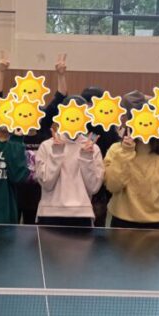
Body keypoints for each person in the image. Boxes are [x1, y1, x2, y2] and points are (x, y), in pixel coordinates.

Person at [0, 53, 68, 224]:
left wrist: (61, 75)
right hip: (12, 190)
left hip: (38, 193)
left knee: (33, 235)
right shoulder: (11, 120)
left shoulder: (43, 119)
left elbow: (60, 99)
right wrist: (1, 72)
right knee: (9, 234)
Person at [104, 91, 159, 235]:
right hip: (120, 224)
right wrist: (126, 152)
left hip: (155, 227)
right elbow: (112, 185)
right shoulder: (116, 150)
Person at [35, 96, 104, 227]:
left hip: (82, 214)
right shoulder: (47, 146)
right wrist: (57, 153)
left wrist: (86, 157)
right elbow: (46, 183)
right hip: (50, 213)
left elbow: (94, 187)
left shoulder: (92, 148)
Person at [80, 86, 120, 227]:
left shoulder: (108, 127)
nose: (90, 108)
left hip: (99, 182)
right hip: (78, 182)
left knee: (97, 225)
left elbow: (114, 150)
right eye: (88, 104)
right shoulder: (78, 123)